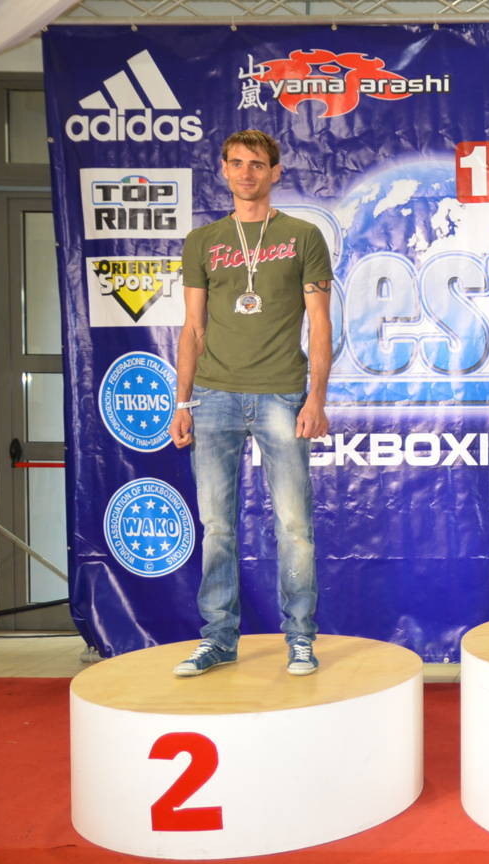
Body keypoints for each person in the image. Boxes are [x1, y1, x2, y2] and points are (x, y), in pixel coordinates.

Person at [168, 129, 333, 677]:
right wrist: (182, 402)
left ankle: (301, 639)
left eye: (257, 164)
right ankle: (217, 639)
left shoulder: (303, 236)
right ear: (223, 169)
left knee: (294, 526)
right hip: (212, 395)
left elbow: (320, 323)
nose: (246, 173)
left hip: (282, 394)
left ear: (275, 172)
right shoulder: (203, 240)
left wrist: (316, 397)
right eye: (237, 163)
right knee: (217, 525)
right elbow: (192, 328)